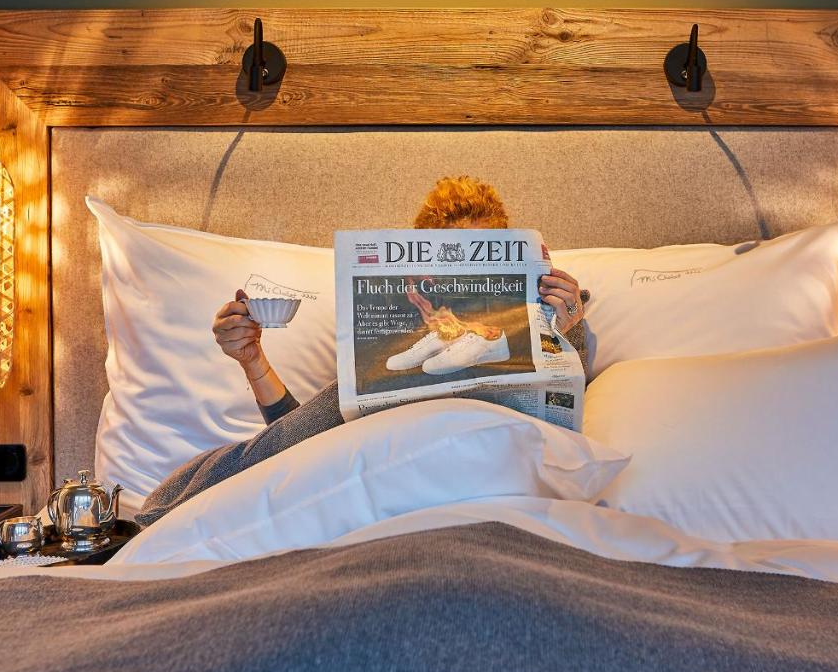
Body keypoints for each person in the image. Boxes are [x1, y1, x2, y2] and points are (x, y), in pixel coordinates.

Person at [136, 176, 590, 526]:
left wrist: (569, 327)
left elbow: (569, 416)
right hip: (386, 480)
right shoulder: (396, 334)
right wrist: (253, 360)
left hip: (493, 477)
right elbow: (297, 445)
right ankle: (149, 526)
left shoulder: (550, 313)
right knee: (278, 452)